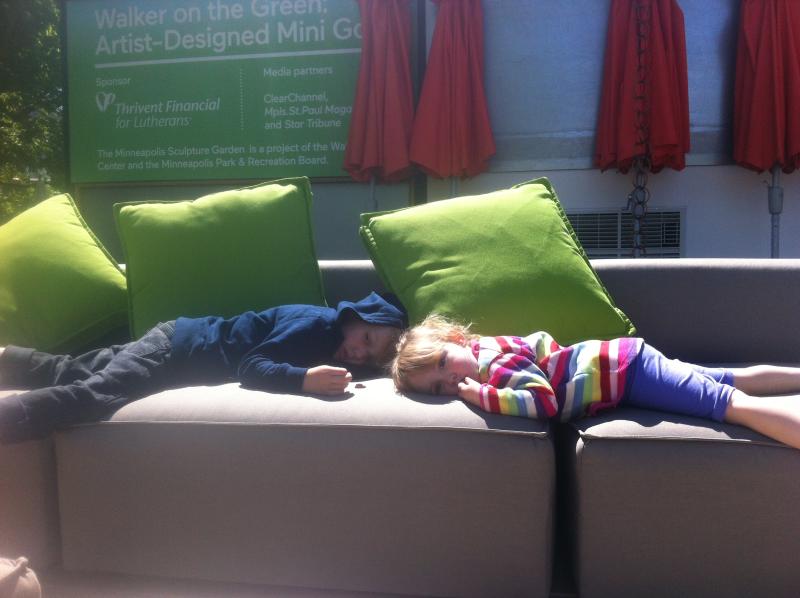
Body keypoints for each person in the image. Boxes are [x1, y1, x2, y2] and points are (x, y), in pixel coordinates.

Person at [0, 292, 406, 443]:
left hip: (175, 338)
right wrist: (302, 379)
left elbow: (383, 365)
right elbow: (251, 366)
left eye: (370, 357)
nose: (360, 354)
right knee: (95, 397)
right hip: (174, 353)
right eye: (366, 340)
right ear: (354, 316)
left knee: (71, 370)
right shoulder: (315, 325)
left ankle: (7, 358)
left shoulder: (338, 345)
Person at [391, 314, 800, 450]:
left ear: (456, 339)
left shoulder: (493, 366)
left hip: (628, 371)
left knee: (727, 404)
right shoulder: (487, 349)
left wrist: (481, 396)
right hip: (625, 364)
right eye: (438, 386)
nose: (451, 379)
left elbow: (544, 402)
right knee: (729, 378)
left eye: (443, 362)